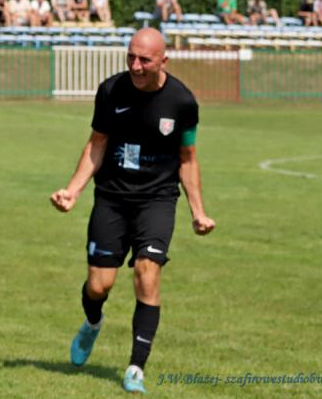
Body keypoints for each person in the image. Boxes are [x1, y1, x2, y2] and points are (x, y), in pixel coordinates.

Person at [50, 28, 215, 394]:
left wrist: (198, 211)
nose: (136, 66)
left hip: (157, 199)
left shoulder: (182, 102)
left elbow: (188, 158)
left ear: (163, 61)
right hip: (112, 198)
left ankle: (136, 367)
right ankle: (92, 323)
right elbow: (97, 144)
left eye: (144, 60)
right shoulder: (111, 91)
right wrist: (73, 190)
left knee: (147, 272)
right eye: (131, 57)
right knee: (99, 286)